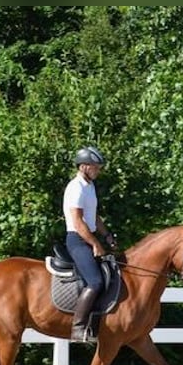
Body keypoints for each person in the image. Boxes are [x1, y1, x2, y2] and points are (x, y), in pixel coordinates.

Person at [62, 145, 117, 342]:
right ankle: (77, 328)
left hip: (88, 235)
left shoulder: (89, 187)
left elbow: (93, 216)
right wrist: (95, 244)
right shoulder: (75, 187)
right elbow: (78, 221)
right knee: (95, 281)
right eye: (96, 167)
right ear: (84, 167)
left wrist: (107, 235)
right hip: (77, 240)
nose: (98, 170)